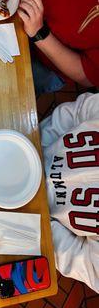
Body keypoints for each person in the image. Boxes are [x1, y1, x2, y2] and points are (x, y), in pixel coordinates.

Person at [40, 92, 99, 292]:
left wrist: (38, 217)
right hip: (29, 146)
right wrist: (36, 145)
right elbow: (78, 112)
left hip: (29, 218)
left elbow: (79, 258)